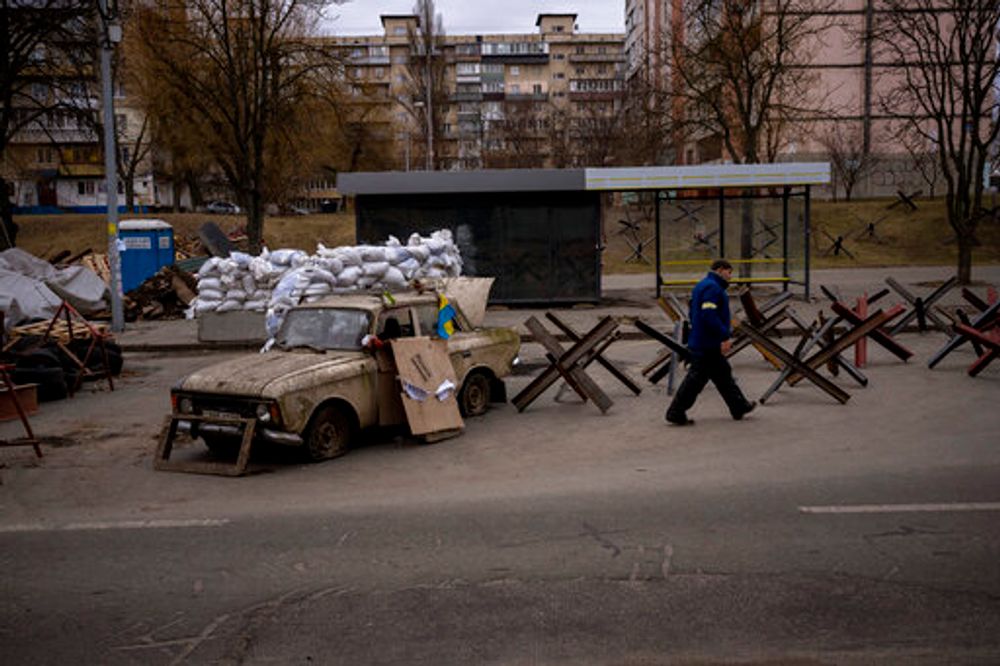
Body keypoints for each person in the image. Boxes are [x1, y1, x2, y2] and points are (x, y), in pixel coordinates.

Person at [665, 259, 755, 426]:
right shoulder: (713, 288)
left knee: (723, 374)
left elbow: (693, 311)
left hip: (703, 339)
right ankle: (675, 412)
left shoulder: (703, 285)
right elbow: (708, 314)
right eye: (729, 272)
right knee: (696, 379)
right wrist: (724, 335)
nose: (730, 276)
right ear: (721, 270)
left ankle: (739, 406)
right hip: (708, 342)